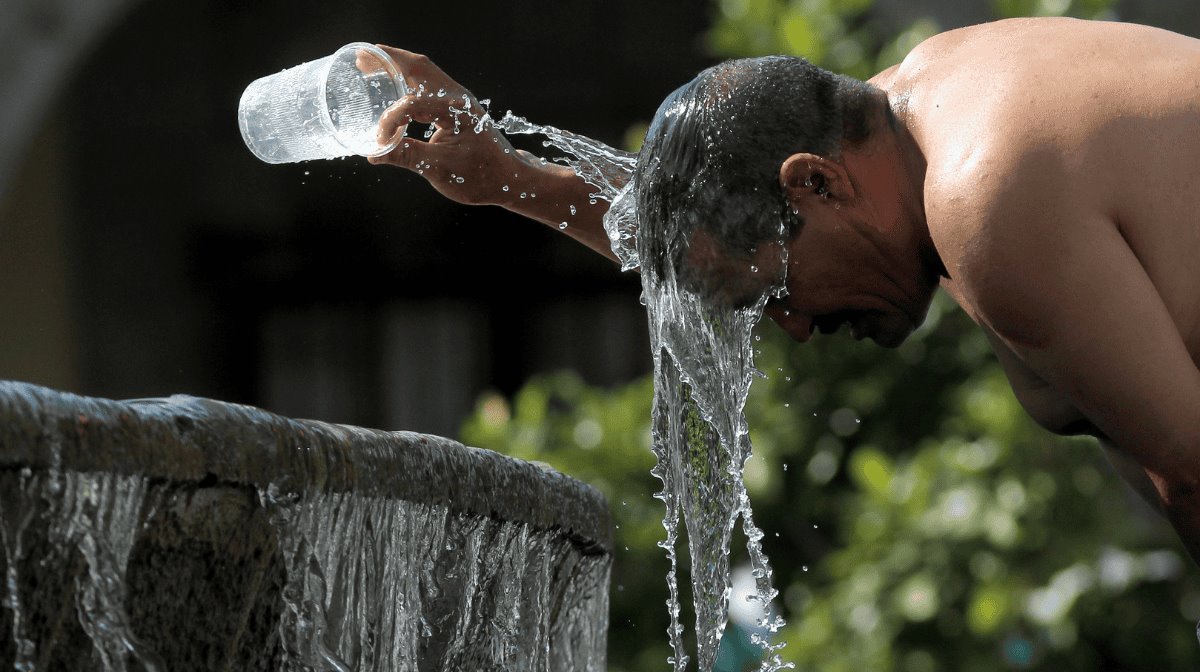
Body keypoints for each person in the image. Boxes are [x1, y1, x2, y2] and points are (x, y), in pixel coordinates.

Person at [365, 17, 1200, 564]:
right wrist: (508, 177)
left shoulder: (985, 199)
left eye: (776, 293)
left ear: (817, 185)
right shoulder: (910, 111)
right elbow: (711, 229)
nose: (795, 326)